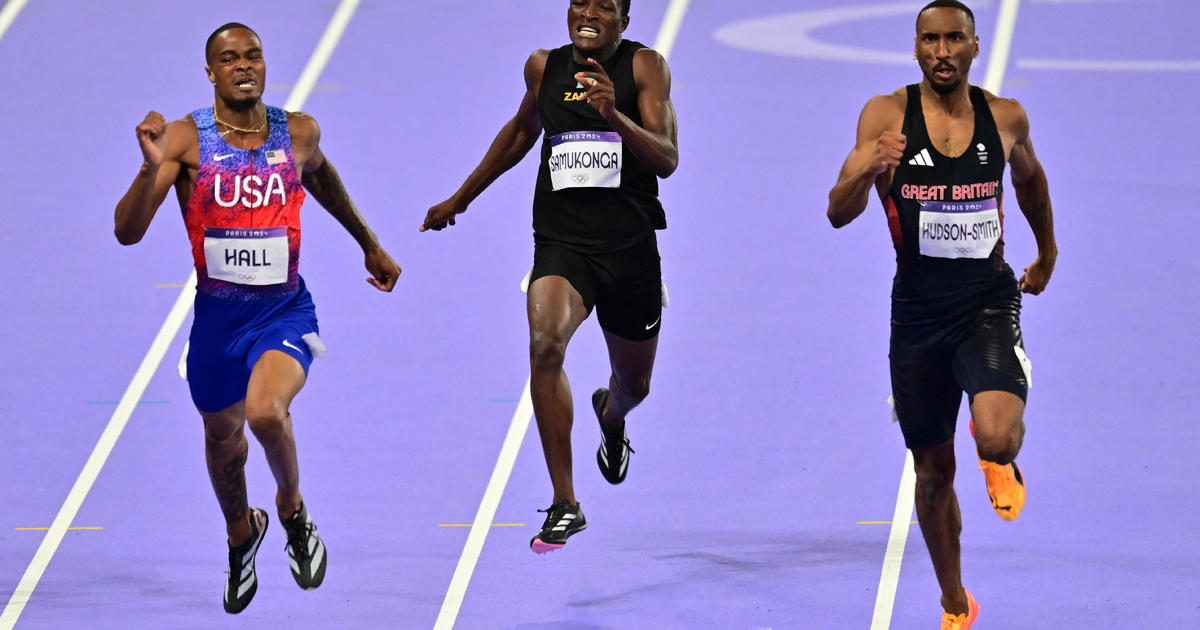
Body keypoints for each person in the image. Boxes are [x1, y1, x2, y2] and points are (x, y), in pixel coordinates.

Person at [113, 23, 401, 613]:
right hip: (217, 325)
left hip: (283, 312)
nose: (243, 66)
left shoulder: (297, 131)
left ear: (264, 65)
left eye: (253, 56)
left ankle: (293, 511)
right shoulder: (183, 140)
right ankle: (242, 536)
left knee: (267, 411)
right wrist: (149, 170)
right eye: (228, 59)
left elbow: (319, 175)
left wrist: (367, 242)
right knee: (224, 443)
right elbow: (127, 232)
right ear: (211, 72)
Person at [826, 1, 1056, 627]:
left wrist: (1048, 252)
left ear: (974, 47)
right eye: (931, 39)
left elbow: (1031, 183)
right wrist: (871, 167)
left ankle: (998, 458)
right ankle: (956, 599)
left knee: (996, 434)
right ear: (916, 47)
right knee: (932, 473)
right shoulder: (884, 116)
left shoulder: (1005, 118)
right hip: (918, 316)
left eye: (955, 39)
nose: (942, 51)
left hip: (987, 301)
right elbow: (837, 210)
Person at [421, 0, 677, 554]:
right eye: (578, 2)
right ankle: (566, 502)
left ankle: (612, 416)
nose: (588, 12)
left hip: (630, 251)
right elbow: (520, 133)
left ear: (623, 21)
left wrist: (613, 114)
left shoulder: (644, 68)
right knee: (545, 343)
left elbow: (666, 158)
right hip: (563, 246)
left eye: (603, 6)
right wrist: (458, 199)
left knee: (635, 386)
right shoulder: (545, 67)